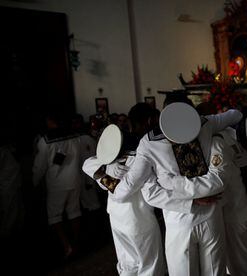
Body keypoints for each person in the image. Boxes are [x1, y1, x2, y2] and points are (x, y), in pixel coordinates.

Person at [110, 98, 242, 276]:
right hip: (211, 212)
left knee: (184, 270)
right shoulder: (205, 123)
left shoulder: (148, 143)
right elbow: (235, 115)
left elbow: (145, 191)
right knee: (214, 269)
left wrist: (176, 187)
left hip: (179, 218)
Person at [83, 103, 167, 276]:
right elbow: (125, 191)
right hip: (139, 219)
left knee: (127, 265)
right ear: (151, 120)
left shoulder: (108, 161)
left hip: (117, 218)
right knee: (150, 266)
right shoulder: (144, 155)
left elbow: (87, 163)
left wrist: (105, 171)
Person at [32, 113, 82, 258]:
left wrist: (35, 181)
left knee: (54, 215)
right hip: (74, 179)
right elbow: (79, 158)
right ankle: (76, 242)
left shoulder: (45, 140)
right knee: (74, 211)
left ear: (50, 120)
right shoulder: (75, 136)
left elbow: (39, 166)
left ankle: (67, 246)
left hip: (56, 183)